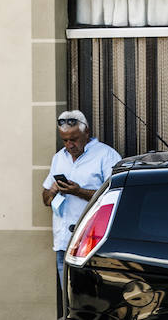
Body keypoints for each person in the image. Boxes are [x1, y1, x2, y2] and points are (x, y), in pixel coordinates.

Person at [41, 110, 121, 317]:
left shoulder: (106, 156)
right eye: (65, 140)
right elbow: (45, 199)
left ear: (87, 133)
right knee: (70, 301)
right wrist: (52, 190)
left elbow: (116, 198)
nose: (69, 145)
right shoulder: (59, 158)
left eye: (74, 139)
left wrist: (79, 191)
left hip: (93, 243)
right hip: (63, 242)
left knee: (97, 303)